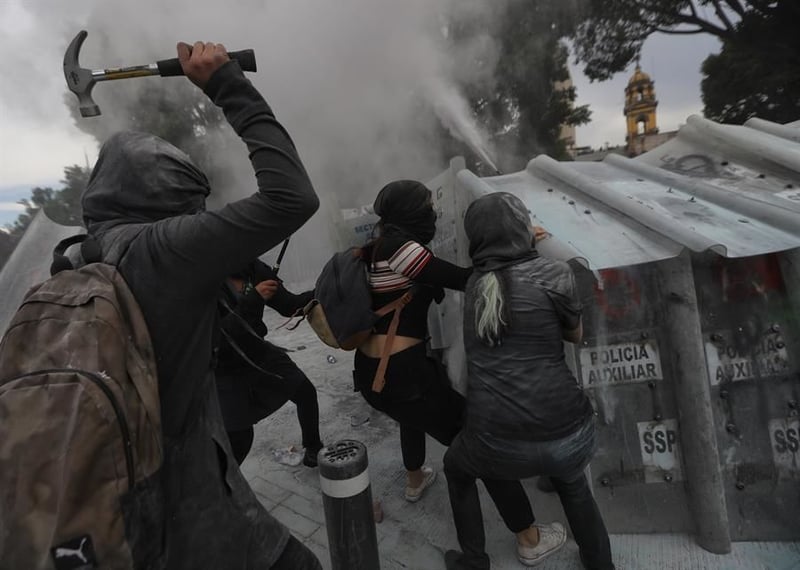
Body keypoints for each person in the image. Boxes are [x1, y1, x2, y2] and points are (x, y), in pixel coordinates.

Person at [79, 42, 321, 569]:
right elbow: (293, 198)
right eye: (193, 207)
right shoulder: (162, 248)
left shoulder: (75, 256)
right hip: (177, 498)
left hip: (104, 494)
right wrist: (226, 84)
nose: (200, 218)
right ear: (169, 199)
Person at [442, 192, 615, 570]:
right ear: (524, 229)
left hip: (494, 446)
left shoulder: (474, 286)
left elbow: (500, 278)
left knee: (456, 468)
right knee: (574, 485)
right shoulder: (558, 274)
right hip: (568, 433)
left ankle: (473, 561)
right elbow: (575, 334)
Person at [216, 258, 324, 467]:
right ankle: (221, 489)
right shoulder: (204, 279)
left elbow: (290, 306)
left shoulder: (253, 269)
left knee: (305, 392)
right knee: (239, 439)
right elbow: (218, 335)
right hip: (224, 365)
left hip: (257, 351)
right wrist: (253, 299)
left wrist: (324, 291)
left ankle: (313, 448)